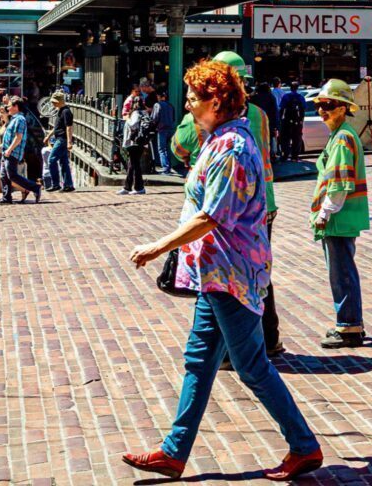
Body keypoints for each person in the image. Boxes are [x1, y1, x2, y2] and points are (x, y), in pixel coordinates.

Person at [123, 59, 322, 482]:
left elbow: (211, 215)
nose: (188, 105)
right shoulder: (219, 139)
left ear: (216, 101)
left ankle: (304, 446)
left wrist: (158, 246)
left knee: (251, 366)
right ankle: (174, 453)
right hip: (216, 275)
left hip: (231, 274)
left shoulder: (231, 147)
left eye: (194, 98)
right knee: (199, 360)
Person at [212, 51, 284, 358]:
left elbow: (179, 145)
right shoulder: (259, 114)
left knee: (227, 276)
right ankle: (269, 338)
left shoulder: (213, 114)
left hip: (229, 206)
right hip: (265, 203)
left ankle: (234, 349)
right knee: (260, 271)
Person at [309, 79, 370, 349]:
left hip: (339, 216)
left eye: (329, 105)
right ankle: (349, 324)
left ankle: (349, 327)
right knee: (343, 269)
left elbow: (339, 182)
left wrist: (325, 212)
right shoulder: (340, 134)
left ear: (344, 108)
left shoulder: (343, 137)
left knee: (342, 272)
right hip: (342, 216)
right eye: (320, 105)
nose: (323, 110)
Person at [2, 96, 42, 204]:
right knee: (3, 175)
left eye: (9, 106)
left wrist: (9, 150)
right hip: (5, 151)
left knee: (12, 175)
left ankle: (35, 187)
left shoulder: (20, 119)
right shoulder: (14, 118)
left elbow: (18, 137)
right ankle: (6, 197)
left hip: (12, 152)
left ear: (16, 107)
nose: (7, 109)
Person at [119, 93, 153, 195]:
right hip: (142, 142)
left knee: (135, 165)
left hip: (134, 141)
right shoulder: (145, 113)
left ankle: (139, 187)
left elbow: (133, 125)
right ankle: (127, 187)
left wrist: (127, 119)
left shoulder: (135, 113)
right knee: (132, 164)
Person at [46, 92, 75, 193]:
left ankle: (56, 184)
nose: (53, 104)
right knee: (64, 163)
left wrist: (69, 142)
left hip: (62, 139)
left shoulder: (66, 112)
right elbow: (57, 127)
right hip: (59, 137)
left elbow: (69, 127)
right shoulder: (60, 111)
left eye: (54, 102)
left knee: (51, 160)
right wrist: (48, 136)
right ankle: (68, 185)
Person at [250, 81, 280, 164]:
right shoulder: (271, 97)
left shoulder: (253, 97)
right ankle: (268, 158)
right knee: (267, 141)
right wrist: (277, 126)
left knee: (255, 141)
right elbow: (275, 112)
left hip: (255, 123)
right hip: (268, 123)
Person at [277, 82, 306, 163]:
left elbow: (281, 109)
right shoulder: (300, 97)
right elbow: (303, 110)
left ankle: (285, 155)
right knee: (296, 138)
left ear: (290, 88)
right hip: (297, 121)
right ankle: (295, 156)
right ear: (297, 88)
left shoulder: (286, 96)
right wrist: (301, 120)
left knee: (285, 138)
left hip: (286, 120)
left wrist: (280, 120)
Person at [151, 90, 177, 175]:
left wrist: (153, 125)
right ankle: (168, 166)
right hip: (170, 129)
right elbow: (173, 118)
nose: (157, 98)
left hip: (162, 129)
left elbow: (154, 118)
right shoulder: (170, 105)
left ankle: (165, 168)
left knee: (161, 149)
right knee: (168, 148)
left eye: (158, 96)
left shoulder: (157, 105)